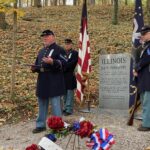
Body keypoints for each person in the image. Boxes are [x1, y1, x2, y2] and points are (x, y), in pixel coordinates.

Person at [31, 30, 67, 133]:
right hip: (42, 80)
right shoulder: (42, 51)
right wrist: (34, 68)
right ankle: (41, 125)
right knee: (42, 103)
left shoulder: (59, 49)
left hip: (54, 80)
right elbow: (38, 64)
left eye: (47, 36)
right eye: (43, 36)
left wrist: (53, 62)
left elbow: (65, 64)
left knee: (55, 105)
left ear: (53, 37)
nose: (45, 38)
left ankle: (58, 126)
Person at [135, 25, 150, 131]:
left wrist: (137, 68)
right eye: (142, 34)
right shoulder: (146, 46)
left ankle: (147, 124)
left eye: (144, 34)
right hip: (144, 78)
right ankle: (146, 122)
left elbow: (147, 59)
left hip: (148, 79)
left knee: (147, 102)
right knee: (145, 101)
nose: (142, 36)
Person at [63, 39, 78, 116]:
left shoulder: (75, 53)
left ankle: (69, 109)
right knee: (64, 92)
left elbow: (72, 63)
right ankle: (65, 108)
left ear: (71, 44)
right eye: (66, 44)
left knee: (69, 93)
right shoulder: (62, 53)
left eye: (68, 44)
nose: (67, 45)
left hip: (70, 75)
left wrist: (65, 65)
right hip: (63, 75)